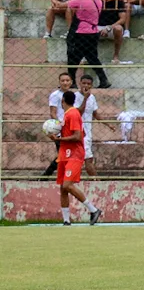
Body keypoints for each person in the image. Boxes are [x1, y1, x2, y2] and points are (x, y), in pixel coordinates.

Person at [52, 88, 99, 225]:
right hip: (65, 154)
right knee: (63, 187)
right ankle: (66, 220)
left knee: (68, 184)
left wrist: (60, 140)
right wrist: (56, 137)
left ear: (62, 101)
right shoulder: (67, 115)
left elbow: (78, 136)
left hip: (74, 154)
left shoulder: (73, 114)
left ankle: (93, 209)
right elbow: (74, 134)